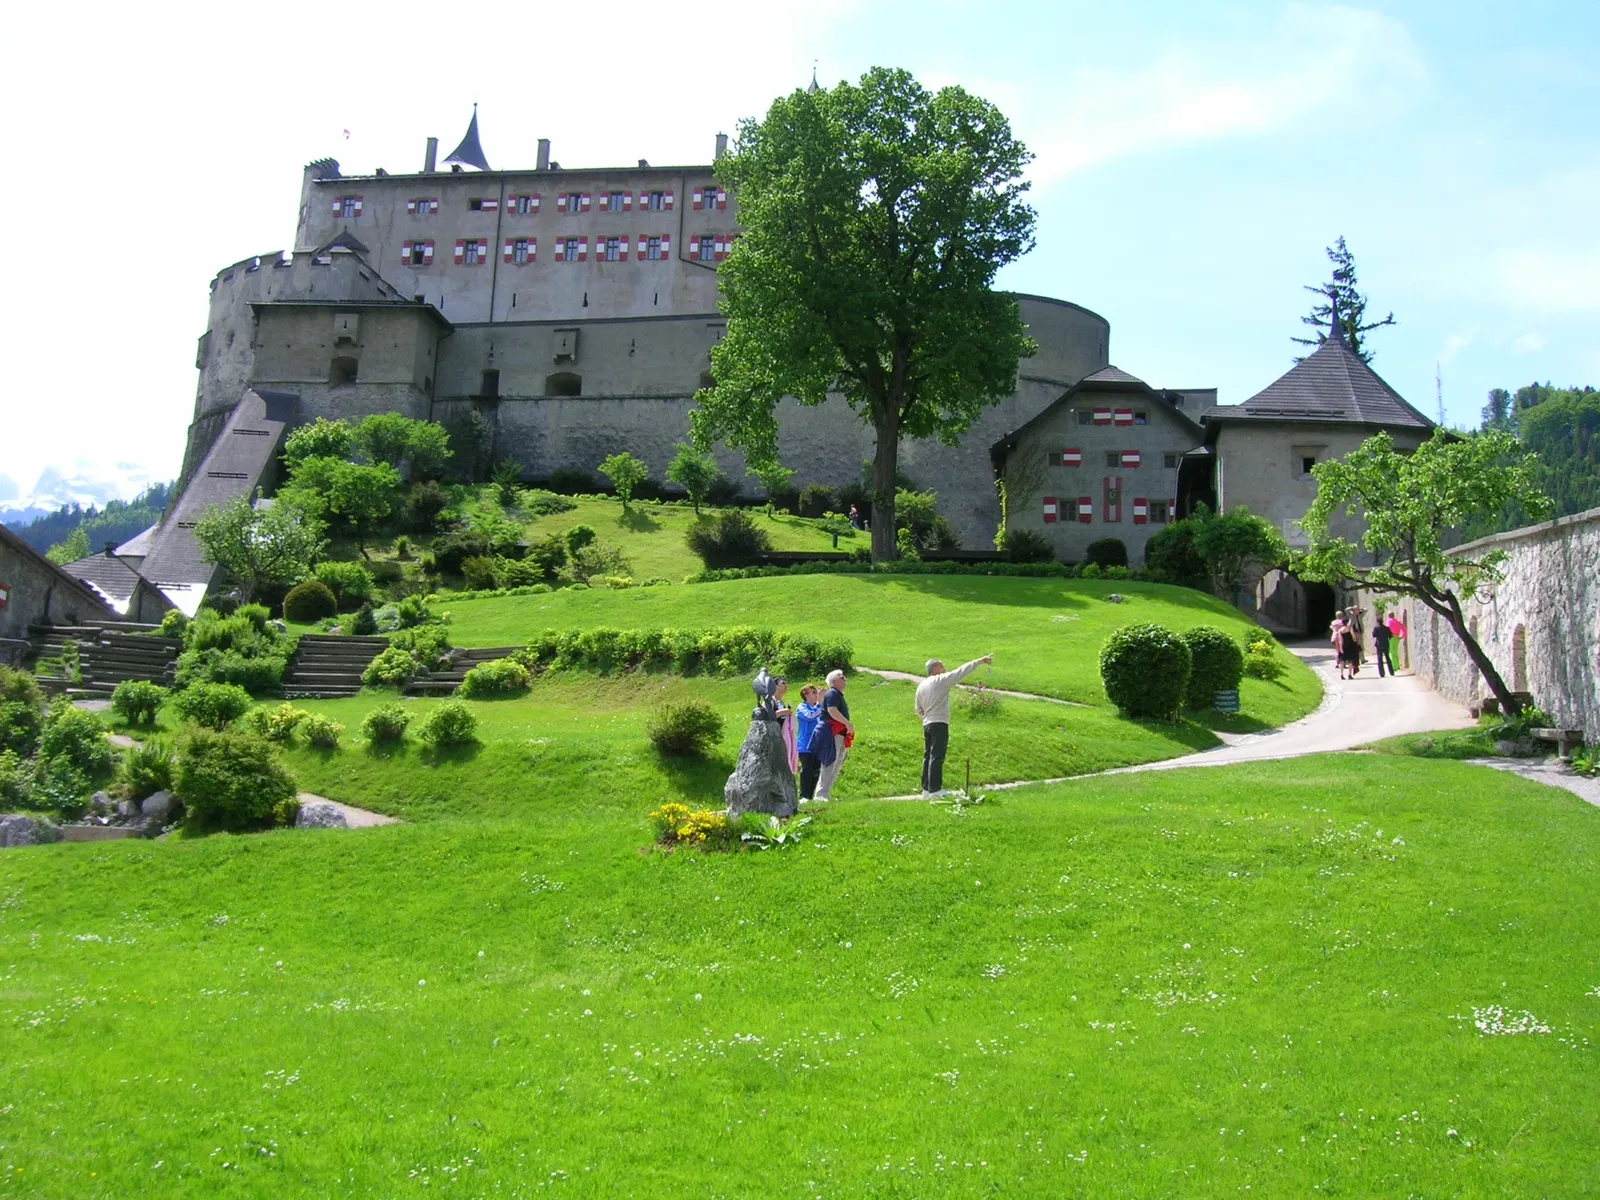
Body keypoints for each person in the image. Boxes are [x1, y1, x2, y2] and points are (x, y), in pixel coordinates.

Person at [915, 654, 993, 798]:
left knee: (928, 756)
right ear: (935, 669)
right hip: (939, 722)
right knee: (937, 756)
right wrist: (980, 661)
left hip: (927, 724)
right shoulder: (940, 680)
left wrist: (925, 719)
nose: (944, 669)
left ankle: (926, 789)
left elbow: (918, 709)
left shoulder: (921, 685)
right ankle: (935, 790)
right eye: (941, 666)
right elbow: (961, 671)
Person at [814, 669, 854, 801]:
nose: (844, 679)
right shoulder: (832, 693)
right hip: (833, 732)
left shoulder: (837, 694)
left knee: (836, 763)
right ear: (833, 681)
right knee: (830, 762)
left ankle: (825, 793)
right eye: (841, 677)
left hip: (839, 733)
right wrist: (847, 723)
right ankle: (821, 795)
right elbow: (832, 710)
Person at [794, 684, 824, 800]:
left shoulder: (819, 707)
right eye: (813, 692)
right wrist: (820, 704)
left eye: (816, 692)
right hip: (805, 744)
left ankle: (812, 795)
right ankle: (804, 795)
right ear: (805, 694)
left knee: (817, 770)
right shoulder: (802, 707)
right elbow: (810, 716)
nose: (816, 694)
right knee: (807, 769)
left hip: (818, 744)